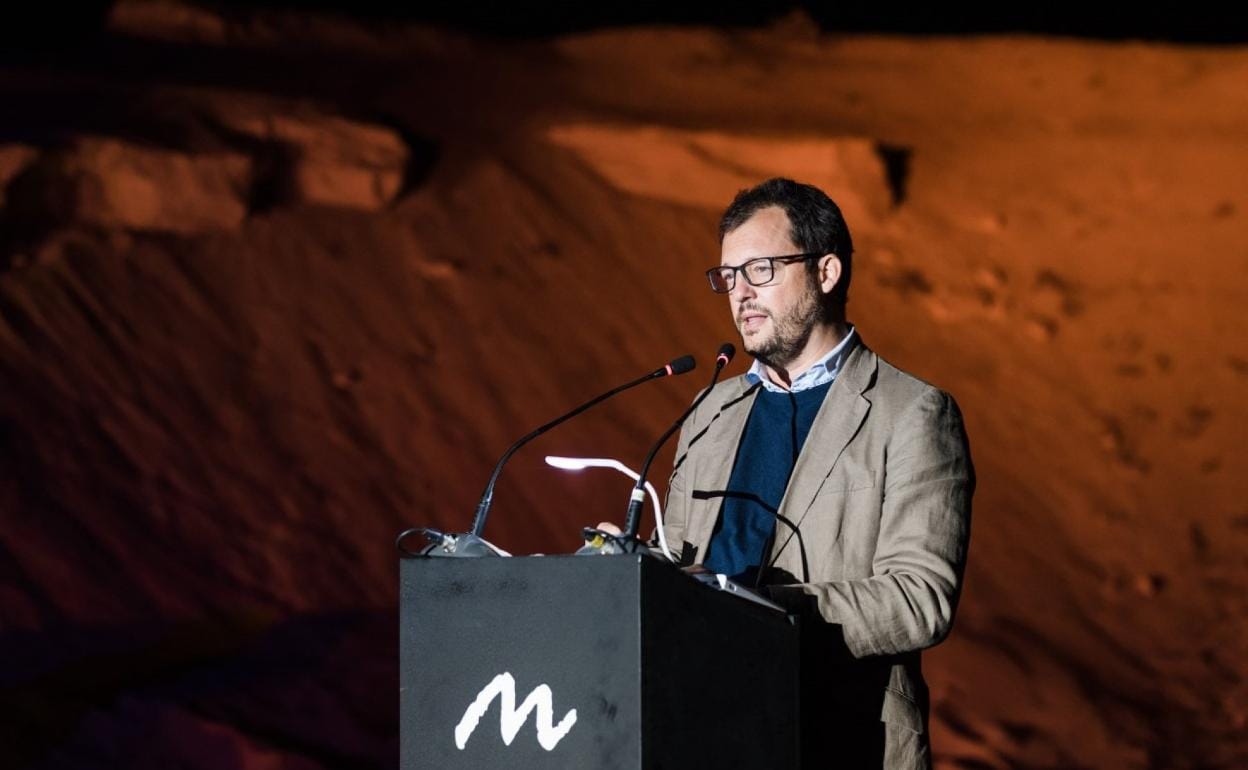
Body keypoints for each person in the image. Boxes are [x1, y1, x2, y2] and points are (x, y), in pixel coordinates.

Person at [659, 177, 974, 769]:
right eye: (728, 276)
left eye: (761, 270)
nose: (739, 294)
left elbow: (921, 598)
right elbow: (676, 568)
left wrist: (758, 609)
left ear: (826, 273)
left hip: (837, 735)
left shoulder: (912, 413)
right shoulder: (710, 412)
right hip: (702, 731)